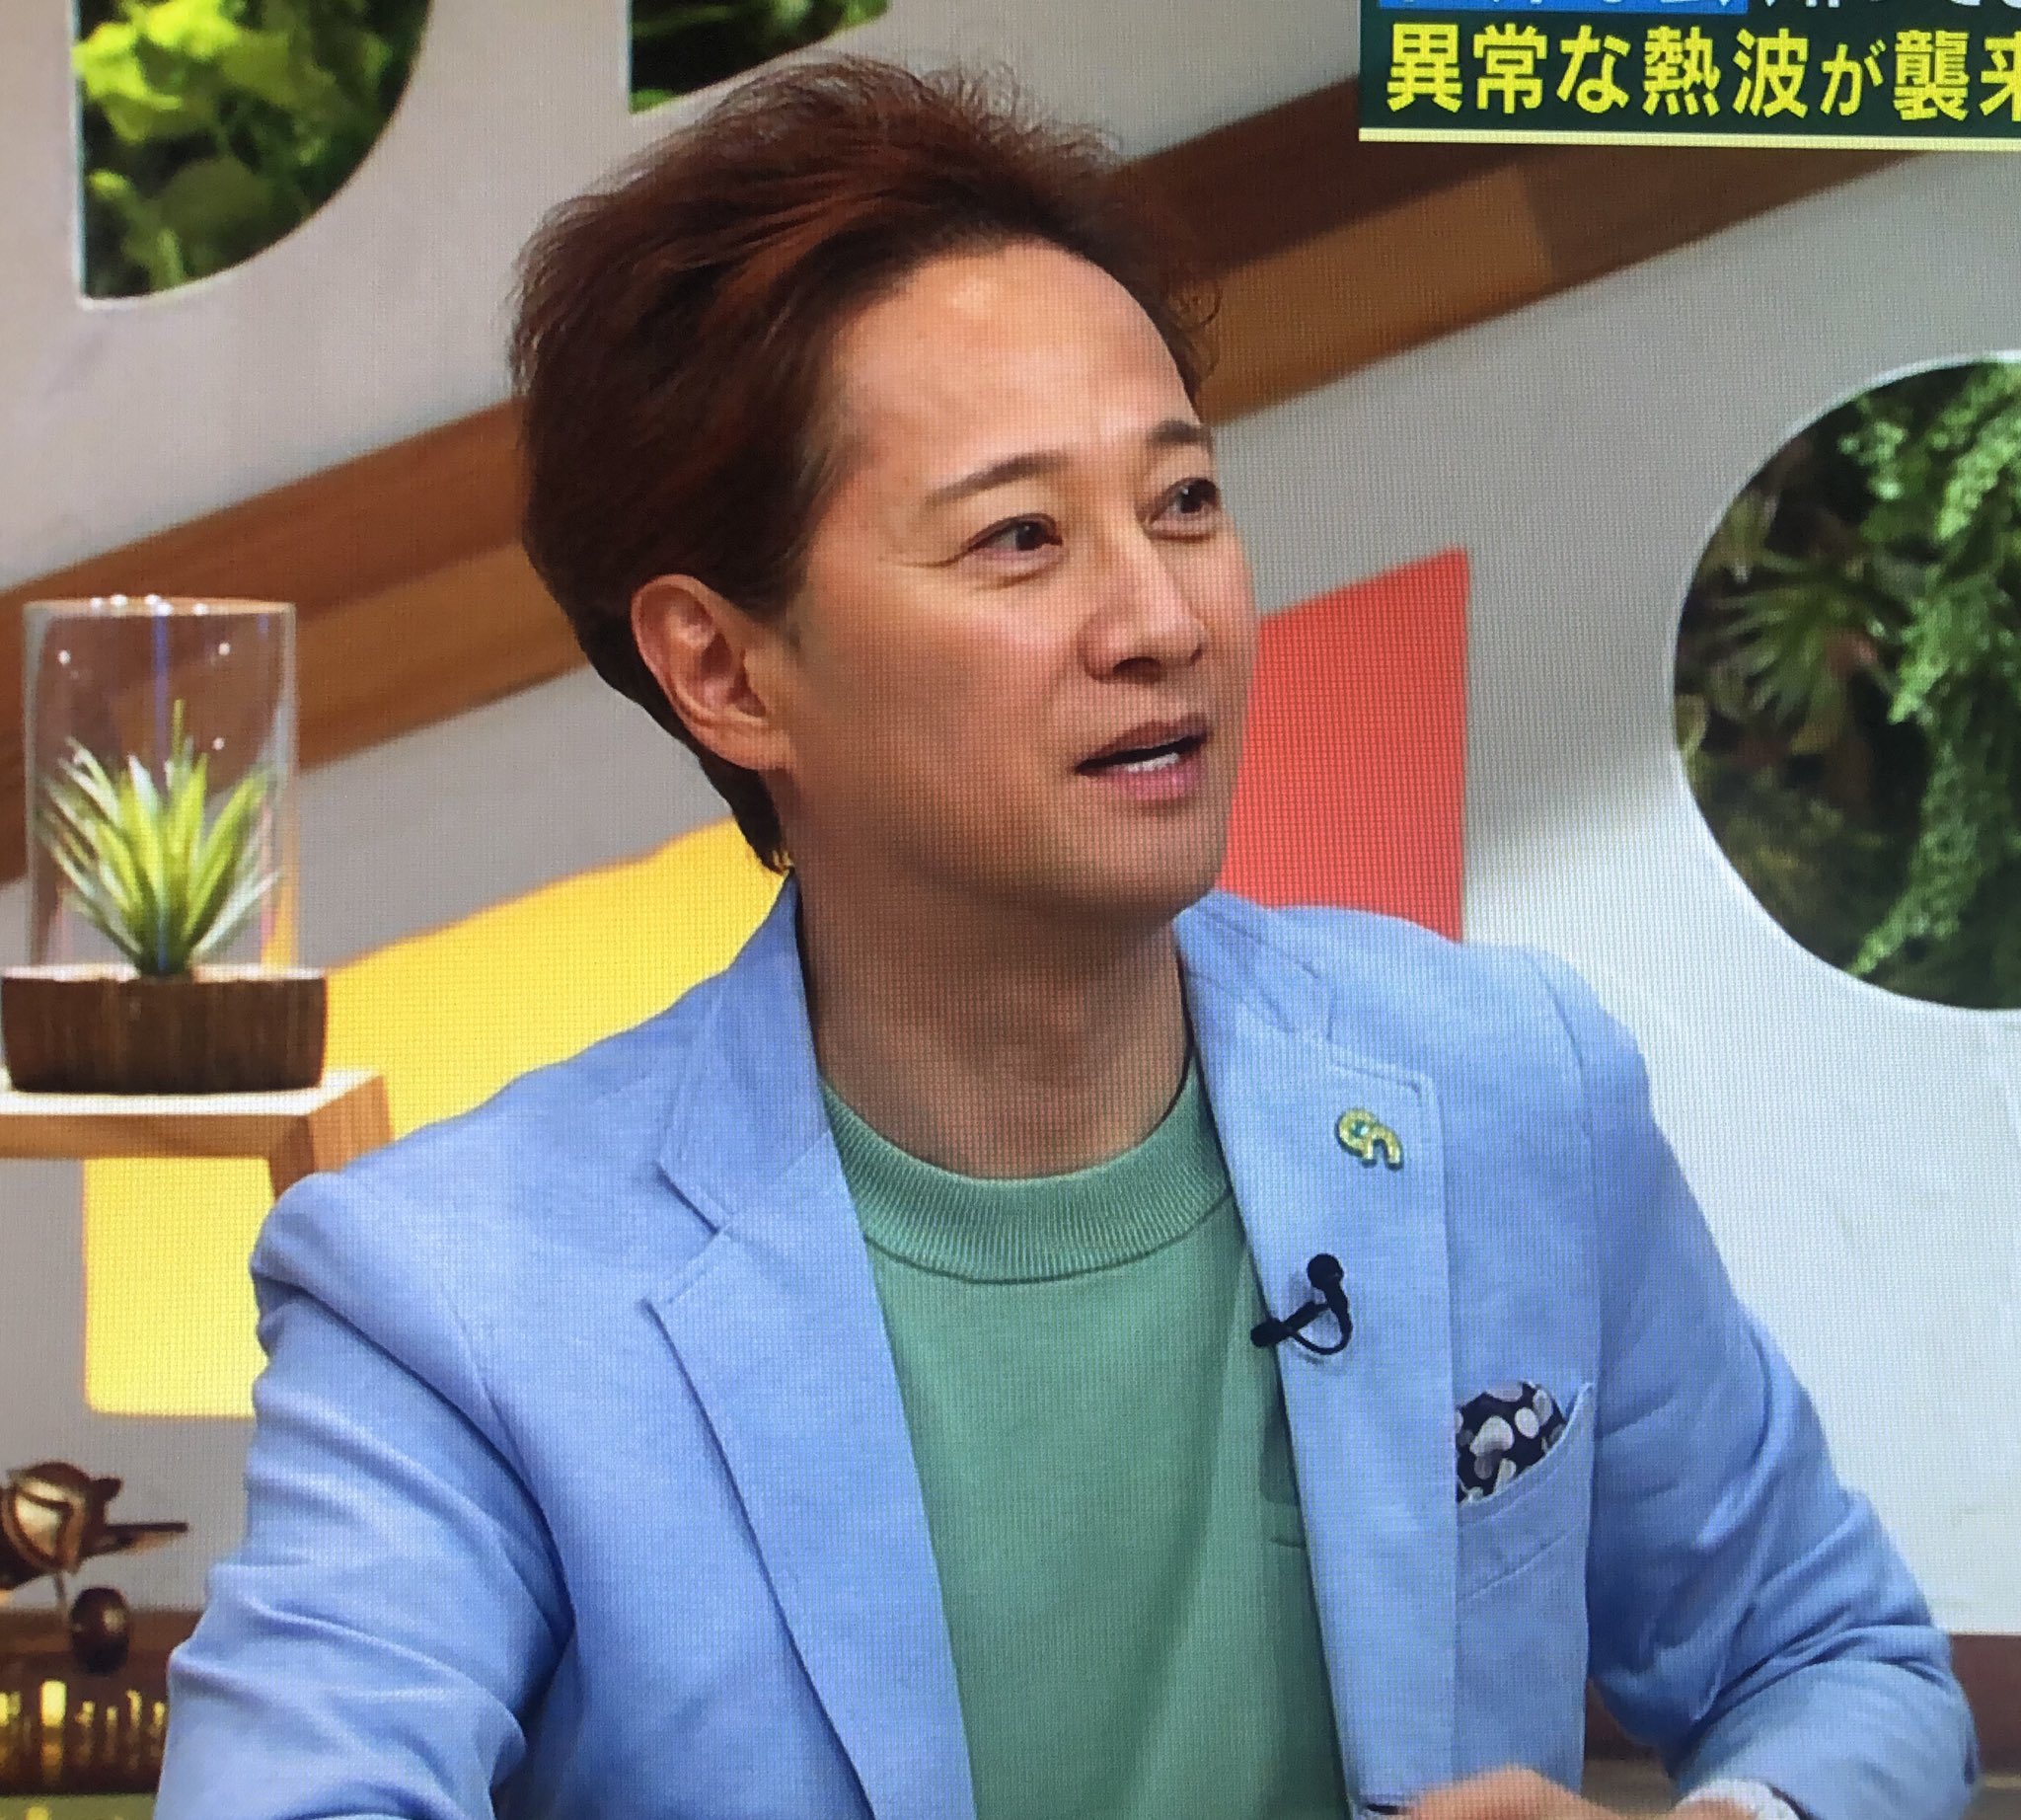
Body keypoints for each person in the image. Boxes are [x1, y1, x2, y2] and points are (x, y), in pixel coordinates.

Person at [155, 53, 1979, 1820]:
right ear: (724, 668)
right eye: (1021, 539)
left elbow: (1842, 1664)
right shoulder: (458, 1297)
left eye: (1185, 504)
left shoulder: (1505, 1093)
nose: (1161, 618)